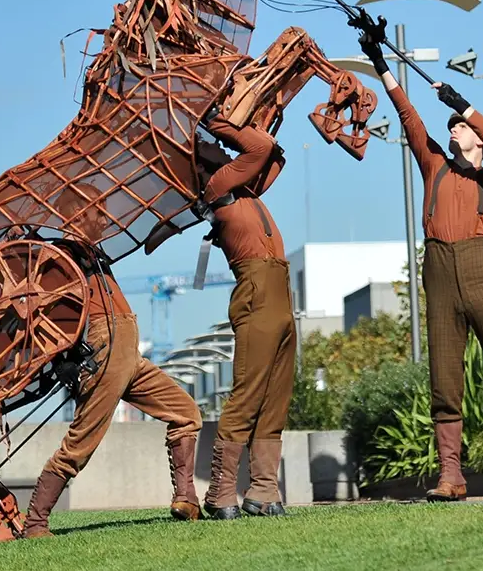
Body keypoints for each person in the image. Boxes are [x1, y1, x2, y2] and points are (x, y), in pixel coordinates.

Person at [358, 30, 483, 500]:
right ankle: (451, 476)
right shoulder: (435, 166)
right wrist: (381, 62)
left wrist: (465, 105)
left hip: (479, 268)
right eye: (450, 124)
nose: (452, 128)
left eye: (460, 126)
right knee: (443, 377)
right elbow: (408, 118)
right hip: (439, 272)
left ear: (476, 139)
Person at [22, 185, 203, 538]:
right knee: (81, 444)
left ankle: (187, 499)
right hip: (105, 352)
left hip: (129, 354)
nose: (105, 216)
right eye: (97, 209)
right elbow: (45, 315)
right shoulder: (61, 257)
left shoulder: (92, 252)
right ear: (76, 214)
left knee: (186, 413)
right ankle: (35, 522)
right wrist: (65, 362)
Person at [199, 117, 296, 520]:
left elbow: (270, 153)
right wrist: (220, 120)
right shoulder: (216, 186)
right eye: (212, 146)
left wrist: (259, 114)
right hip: (256, 291)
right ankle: (221, 493)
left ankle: (264, 490)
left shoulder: (243, 188)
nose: (221, 149)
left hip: (280, 294)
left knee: (275, 398)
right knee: (248, 393)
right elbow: (257, 150)